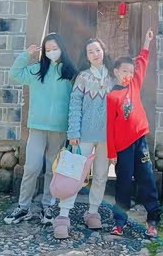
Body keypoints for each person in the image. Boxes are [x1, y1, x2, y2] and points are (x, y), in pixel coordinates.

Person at [3, 33, 77, 226]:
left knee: (53, 169)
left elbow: (76, 101)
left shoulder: (70, 72)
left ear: (62, 49)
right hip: (37, 127)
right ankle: (23, 207)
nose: (52, 52)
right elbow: (14, 74)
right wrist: (26, 55)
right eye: (48, 49)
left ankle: (48, 206)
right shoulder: (36, 70)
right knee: (32, 168)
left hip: (59, 129)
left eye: (55, 48)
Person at [53, 38, 115, 239]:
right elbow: (75, 105)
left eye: (97, 50)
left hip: (106, 138)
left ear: (103, 51)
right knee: (73, 174)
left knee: (100, 175)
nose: (95, 54)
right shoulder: (83, 77)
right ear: (86, 56)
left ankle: (93, 212)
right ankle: (63, 216)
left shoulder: (113, 77)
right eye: (90, 52)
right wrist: (73, 132)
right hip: (83, 136)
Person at [107, 29, 161, 238]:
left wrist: (147, 42)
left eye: (131, 71)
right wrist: (112, 152)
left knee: (146, 179)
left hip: (140, 141)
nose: (128, 75)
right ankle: (119, 222)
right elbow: (109, 126)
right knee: (123, 183)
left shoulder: (135, 84)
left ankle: (153, 220)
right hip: (122, 147)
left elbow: (142, 62)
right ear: (116, 72)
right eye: (124, 71)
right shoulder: (112, 96)